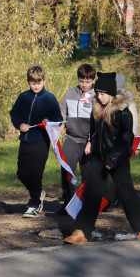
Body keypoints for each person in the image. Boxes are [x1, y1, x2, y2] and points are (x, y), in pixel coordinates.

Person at [63, 72, 140, 244]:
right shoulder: (96, 110)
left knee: (127, 194)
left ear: (112, 94)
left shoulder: (123, 113)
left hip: (117, 160)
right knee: (91, 194)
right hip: (98, 158)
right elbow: (94, 133)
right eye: (97, 93)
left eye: (102, 93)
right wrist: (92, 145)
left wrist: (113, 159)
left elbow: (125, 140)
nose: (99, 96)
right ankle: (81, 231)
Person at [9, 65, 62, 217]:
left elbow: (57, 118)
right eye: (33, 83)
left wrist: (48, 121)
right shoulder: (23, 97)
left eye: (39, 82)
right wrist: (20, 125)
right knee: (22, 173)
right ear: (28, 82)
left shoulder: (50, 98)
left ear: (44, 81)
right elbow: (14, 114)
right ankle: (38, 192)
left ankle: (34, 204)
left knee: (35, 173)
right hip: (25, 140)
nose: (36, 86)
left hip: (41, 141)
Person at [59, 64, 95, 207]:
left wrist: (91, 141)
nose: (84, 84)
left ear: (93, 80)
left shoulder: (97, 96)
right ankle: (68, 201)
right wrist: (61, 123)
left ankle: (86, 205)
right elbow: (63, 111)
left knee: (88, 175)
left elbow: (98, 121)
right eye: (81, 81)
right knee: (67, 169)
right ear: (78, 79)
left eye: (88, 81)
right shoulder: (70, 93)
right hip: (71, 139)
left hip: (88, 141)